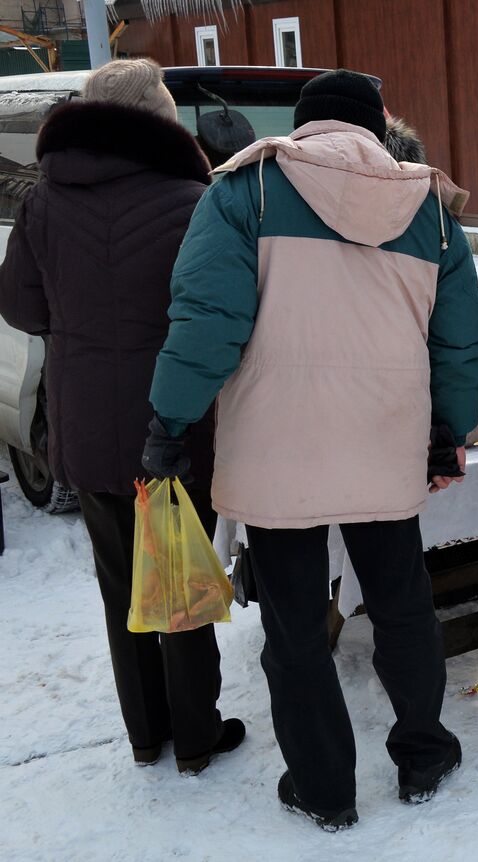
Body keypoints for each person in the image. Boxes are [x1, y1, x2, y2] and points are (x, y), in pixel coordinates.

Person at [146, 69, 478, 829]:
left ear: (304, 123)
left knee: (295, 626)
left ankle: (325, 789)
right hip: (385, 443)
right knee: (402, 608)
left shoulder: (246, 192)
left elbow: (204, 321)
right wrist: (449, 430)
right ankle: (425, 752)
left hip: (277, 451)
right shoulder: (427, 207)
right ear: (376, 126)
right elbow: (458, 339)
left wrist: (169, 422)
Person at [0, 59, 245, 776]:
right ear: (160, 118)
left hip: (84, 423)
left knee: (120, 585)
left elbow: (19, 307)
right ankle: (197, 738)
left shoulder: (44, 201)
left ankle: (147, 733)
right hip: (173, 426)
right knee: (181, 578)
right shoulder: (192, 199)